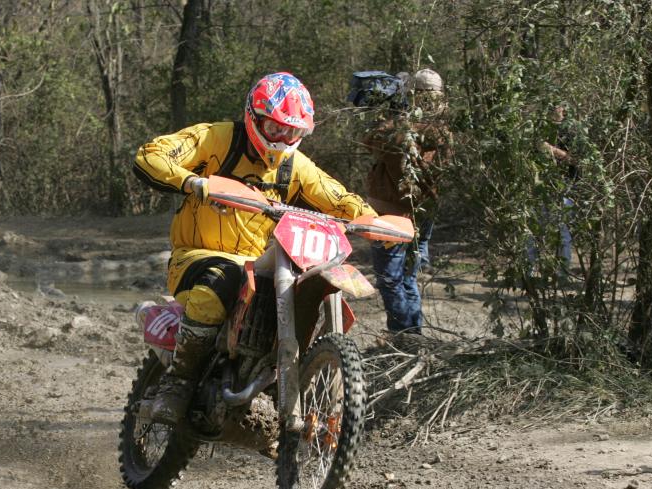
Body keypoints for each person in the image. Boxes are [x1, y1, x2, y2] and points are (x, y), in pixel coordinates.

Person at [134, 71, 379, 424]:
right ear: (254, 117)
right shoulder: (216, 140)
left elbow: (337, 197)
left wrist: (373, 220)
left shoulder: (295, 167)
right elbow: (150, 155)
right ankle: (178, 383)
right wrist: (193, 181)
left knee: (303, 291)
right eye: (275, 128)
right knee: (219, 281)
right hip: (198, 254)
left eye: (292, 132)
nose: (282, 139)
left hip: (260, 262)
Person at [361, 68, 453, 336]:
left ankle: (403, 336)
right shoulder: (445, 131)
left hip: (393, 212)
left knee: (390, 278)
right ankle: (412, 334)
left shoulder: (399, 128)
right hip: (424, 211)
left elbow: (370, 139)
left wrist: (393, 111)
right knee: (408, 277)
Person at [529, 103, 579, 269]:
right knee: (532, 230)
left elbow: (575, 160)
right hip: (542, 186)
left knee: (563, 232)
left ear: (563, 109)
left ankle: (562, 274)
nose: (552, 108)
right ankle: (528, 275)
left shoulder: (571, 130)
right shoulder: (539, 129)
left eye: (556, 106)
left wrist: (551, 149)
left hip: (565, 186)